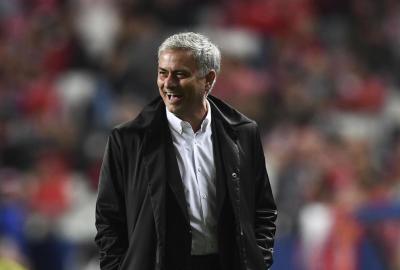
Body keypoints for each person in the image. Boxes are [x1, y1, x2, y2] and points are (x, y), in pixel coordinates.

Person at [95, 32, 277, 270]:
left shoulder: (243, 133)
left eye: (180, 74)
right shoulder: (128, 140)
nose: (168, 83)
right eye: (163, 73)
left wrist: (257, 262)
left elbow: (263, 210)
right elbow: (108, 221)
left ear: (208, 79)